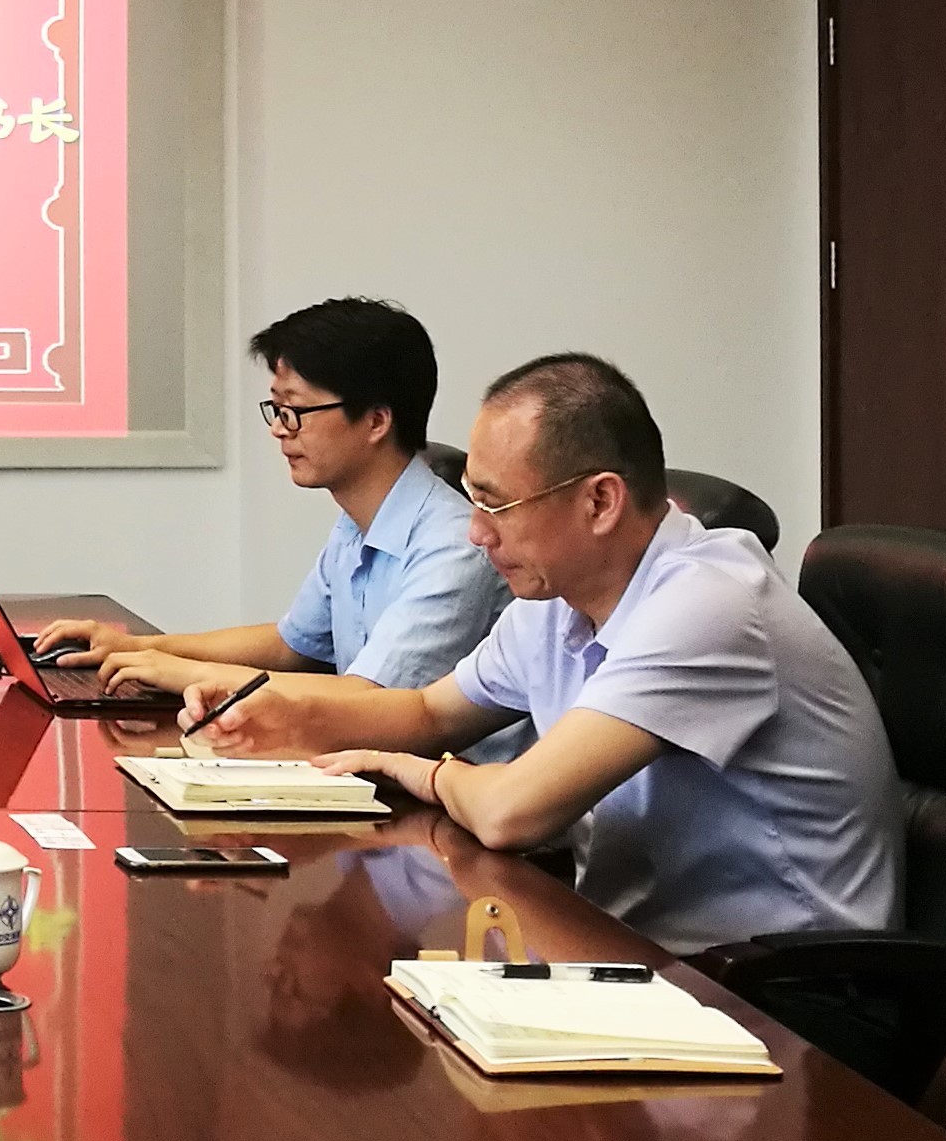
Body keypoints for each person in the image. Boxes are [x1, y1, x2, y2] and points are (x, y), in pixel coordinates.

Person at [192, 352, 903, 954]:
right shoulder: (557, 598)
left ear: (600, 503)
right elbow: (430, 714)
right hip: (633, 954)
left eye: (495, 505)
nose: (476, 533)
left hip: (786, 994)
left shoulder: (710, 604)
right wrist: (281, 713)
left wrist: (424, 774)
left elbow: (512, 812)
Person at [37, 299, 509, 747]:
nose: (279, 428)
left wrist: (184, 672)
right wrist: (139, 648)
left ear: (376, 422)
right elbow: (291, 645)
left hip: (446, 791)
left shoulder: (453, 547)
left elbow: (370, 699)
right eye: (277, 410)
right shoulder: (358, 524)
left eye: (296, 411)